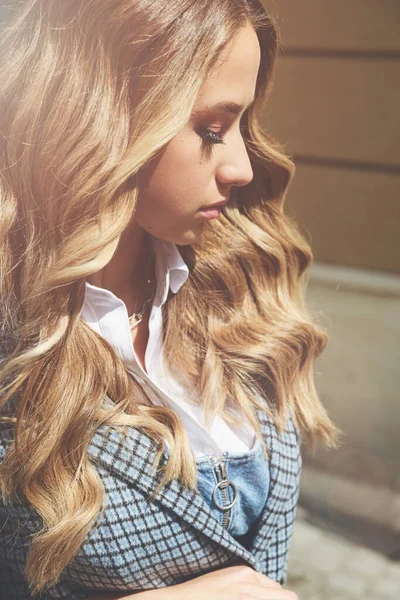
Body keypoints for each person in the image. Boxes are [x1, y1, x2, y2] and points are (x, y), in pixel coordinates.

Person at [0, 1, 339, 598]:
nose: (239, 164)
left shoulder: (237, 288)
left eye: (242, 125)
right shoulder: (15, 343)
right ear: (98, 115)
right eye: (211, 129)